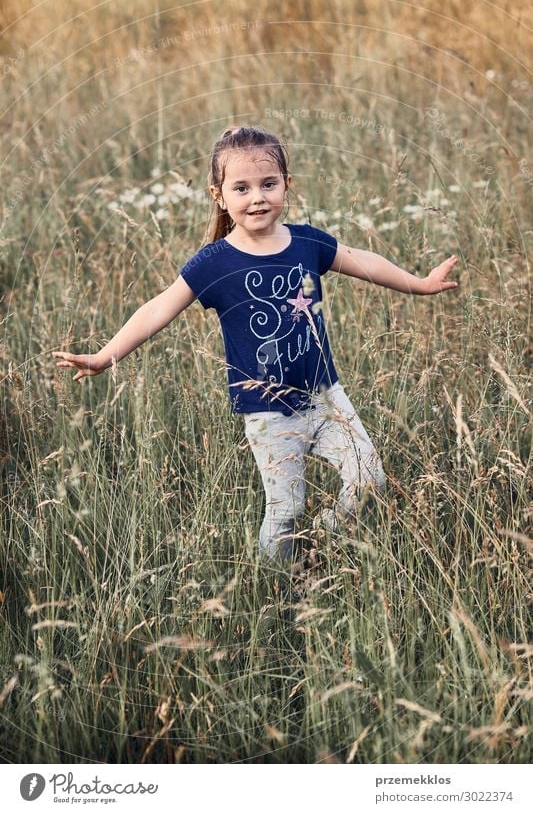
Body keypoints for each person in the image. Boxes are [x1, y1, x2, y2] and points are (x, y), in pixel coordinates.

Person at [52, 125, 458, 566]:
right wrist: (104, 356)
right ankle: (277, 584)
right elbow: (158, 308)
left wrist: (419, 284)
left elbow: (363, 260)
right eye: (241, 188)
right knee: (286, 511)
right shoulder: (215, 263)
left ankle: (322, 537)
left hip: (326, 396)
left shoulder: (306, 243)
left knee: (369, 480)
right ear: (219, 196)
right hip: (267, 412)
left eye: (268, 184)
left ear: (287, 184)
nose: (257, 197)